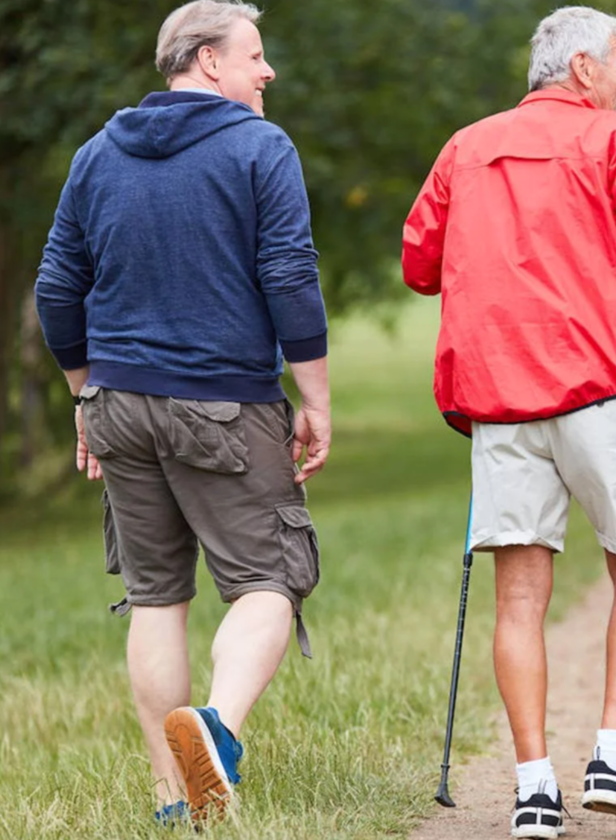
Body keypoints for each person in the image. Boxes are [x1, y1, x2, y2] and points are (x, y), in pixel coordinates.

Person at [402, 6, 616, 837]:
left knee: (519, 598)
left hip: (501, 400)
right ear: (581, 70)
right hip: (603, 383)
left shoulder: (466, 146)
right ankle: (612, 757)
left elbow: (419, 263)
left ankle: (535, 790)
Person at [34, 0, 330, 826]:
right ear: (207, 62)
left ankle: (176, 799)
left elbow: (57, 286)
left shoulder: (98, 152)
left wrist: (84, 393)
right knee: (270, 578)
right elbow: (289, 277)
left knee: (157, 597)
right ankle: (217, 731)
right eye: (255, 55)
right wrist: (315, 398)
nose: (267, 71)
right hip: (222, 402)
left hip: (118, 402)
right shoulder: (260, 148)